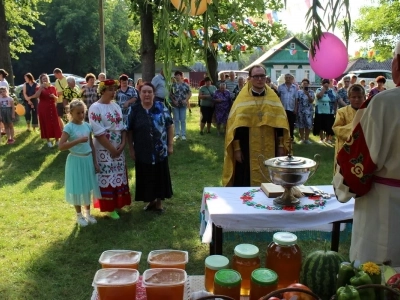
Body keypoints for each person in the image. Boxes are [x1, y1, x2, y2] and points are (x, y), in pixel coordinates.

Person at [333, 42, 400, 267]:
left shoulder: (384, 103)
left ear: (397, 65)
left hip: (384, 203)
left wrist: (339, 186)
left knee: (378, 270)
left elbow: (361, 156)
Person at [222, 64, 290, 187]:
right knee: (244, 179)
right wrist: (236, 149)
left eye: (262, 76)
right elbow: (236, 127)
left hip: (271, 145)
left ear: (266, 78)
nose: (260, 79)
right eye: (256, 76)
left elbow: (280, 125)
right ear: (250, 79)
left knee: (272, 179)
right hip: (246, 145)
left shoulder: (273, 98)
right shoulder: (242, 99)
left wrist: (281, 146)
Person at [127, 82, 174, 212]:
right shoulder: (134, 109)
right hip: (142, 150)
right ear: (140, 94)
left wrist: (170, 145)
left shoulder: (161, 107)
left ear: (153, 94)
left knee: (159, 175)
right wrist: (131, 149)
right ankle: (151, 201)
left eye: (149, 92)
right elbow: (129, 130)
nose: (147, 94)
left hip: (160, 151)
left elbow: (170, 126)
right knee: (146, 176)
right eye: (144, 92)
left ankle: (159, 203)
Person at [89, 79, 131, 219]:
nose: (113, 92)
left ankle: (118, 203)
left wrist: (123, 143)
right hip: (104, 148)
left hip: (118, 146)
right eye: (110, 89)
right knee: (107, 175)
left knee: (118, 174)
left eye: (115, 89)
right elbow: (98, 131)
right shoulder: (95, 107)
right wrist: (111, 149)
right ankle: (109, 207)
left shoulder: (116, 106)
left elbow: (123, 126)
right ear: (102, 91)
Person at [58, 100, 101, 227]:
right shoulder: (69, 127)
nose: (81, 115)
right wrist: (77, 141)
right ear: (71, 113)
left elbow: (92, 146)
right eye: (78, 113)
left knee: (87, 187)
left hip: (87, 160)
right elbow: (61, 146)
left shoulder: (87, 126)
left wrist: (95, 162)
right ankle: (79, 215)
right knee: (77, 188)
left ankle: (88, 213)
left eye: (83, 112)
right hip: (76, 160)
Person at [332, 84, 365, 174]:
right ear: (349, 97)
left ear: (364, 97)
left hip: (363, 149)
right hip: (345, 149)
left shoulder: (368, 112)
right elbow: (337, 129)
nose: (357, 100)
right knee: (344, 174)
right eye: (353, 97)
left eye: (359, 97)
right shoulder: (342, 112)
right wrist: (357, 127)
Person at [27, 73, 62, 147]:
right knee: (46, 123)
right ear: (41, 81)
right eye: (43, 79)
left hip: (52, 107)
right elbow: (36, 96)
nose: (45, 80)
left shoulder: (52, 87)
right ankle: (48, 140)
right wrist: (41, 88)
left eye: (46, 78)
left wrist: (54, 96)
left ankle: (57, 140)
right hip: (43, 107)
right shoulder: (38, 87)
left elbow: (56, 99)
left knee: (55, 122)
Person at [313, 78, 337, 144]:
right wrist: (324, 89)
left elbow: (334, 100)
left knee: (328, 125)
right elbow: (319, 96)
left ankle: (327, 139)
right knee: (320, 125)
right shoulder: (319, 90)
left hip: (329, 111)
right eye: (324, 83)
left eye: (327, 83)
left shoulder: (332, 91)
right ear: (322, 84)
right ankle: (321, 139)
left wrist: (335, 110)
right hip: (320, 111)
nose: (326, 84)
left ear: (329, 84)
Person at [170, 71, 192, 141]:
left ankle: (183, 134)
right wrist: (174, 101)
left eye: (178, 75)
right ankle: (177, 134)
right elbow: (170, 94)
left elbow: (189, 93)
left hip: (183, 105)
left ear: (181, 76)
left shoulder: (185, 85)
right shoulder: (173, 85)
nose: (177, 76)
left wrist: (186, 100)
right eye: (176, 75)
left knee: (182, 119)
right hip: (175, 105)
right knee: (176, 119)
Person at [277, 73, 297, 140]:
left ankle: (291, 137)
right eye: (286, 78)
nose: (288, 79)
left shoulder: (295, 87)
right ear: (284, 78)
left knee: (291, 124)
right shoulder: (280, 87)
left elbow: (296, 98)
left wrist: (295, 108)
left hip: (291, 108)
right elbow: (277, 97)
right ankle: (281, 138)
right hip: (282, 109)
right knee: (282, 123)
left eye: (289, 78)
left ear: (292, 79)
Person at [296, 78, 315, 144]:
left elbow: (312, 101)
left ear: (308, 84)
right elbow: (296, 101)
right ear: (302, 84)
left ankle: (306, 139)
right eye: (304, 83)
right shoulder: (299, 92)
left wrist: (308, 94)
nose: (305, 85)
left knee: (308, 125)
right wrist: (296, 109)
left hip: (309, 111)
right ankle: (302, 139)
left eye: (306, 83)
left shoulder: (311, 92)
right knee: (301, 125)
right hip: (300, 111)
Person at [0, 69, 9, 136]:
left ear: (1, 74)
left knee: (3, 115)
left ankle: (4, 129)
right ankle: (2, 129)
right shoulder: (0, 82)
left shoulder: (4, 82)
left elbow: (6, 92)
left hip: (3, 101)